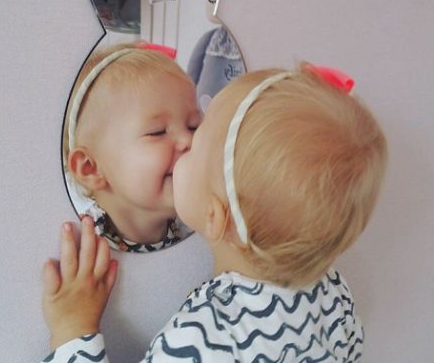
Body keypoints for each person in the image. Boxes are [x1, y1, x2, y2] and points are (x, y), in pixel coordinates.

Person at [42, 63, 387, 361]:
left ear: (214, 215)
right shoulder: (333, 292)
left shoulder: (198, 342)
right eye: (159, 132)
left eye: (196, 133)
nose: (185, 144)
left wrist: (74, 328)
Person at [63, 41, 201, 253]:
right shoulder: (84, 247)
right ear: (91, 168)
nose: (189, 140)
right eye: (158, 132)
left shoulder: (200, 224)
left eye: (193, 126)